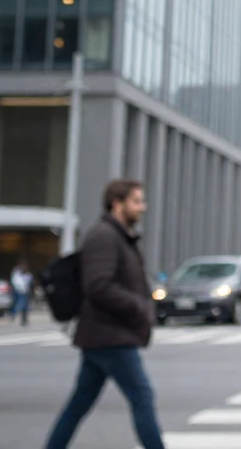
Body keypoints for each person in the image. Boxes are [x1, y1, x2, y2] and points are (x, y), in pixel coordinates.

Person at [45, 180, 164, 449]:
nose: (142, 208)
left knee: (79, 403)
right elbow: (98, 286)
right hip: (110, 334)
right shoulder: (104, 236)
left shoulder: (118, 236)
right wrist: (137, 305)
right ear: (117, 204)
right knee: (142, 396)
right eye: (137, 202)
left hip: (102, 333)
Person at [9, 261, 33, 326]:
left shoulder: (27, 274)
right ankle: (14, 316)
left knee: (24, 306)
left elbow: (29, 282)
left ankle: (24, 319)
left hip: (24, 291)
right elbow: (16, 282)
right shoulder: (17, 274)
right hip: (19, 291)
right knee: (19, 304)